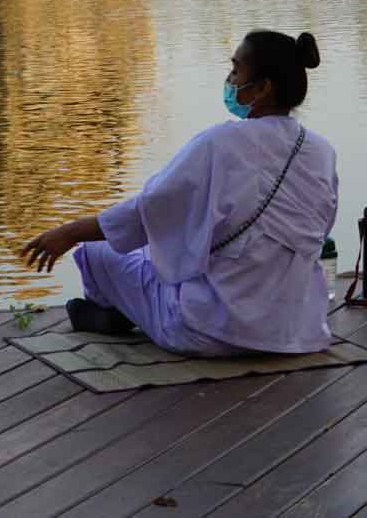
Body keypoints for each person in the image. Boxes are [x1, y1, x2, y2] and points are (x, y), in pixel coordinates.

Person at [21, 30, 338, 356]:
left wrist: (70, 233)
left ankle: (113, 313)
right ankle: (123, 311)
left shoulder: (220, 143)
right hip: (297, 331)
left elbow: (148, 212)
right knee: (165, 251)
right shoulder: (322, 152)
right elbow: (317, 230)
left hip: (212, 330)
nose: (230, 80)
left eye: (236, 70)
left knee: (94, 252)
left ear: (263, 88)